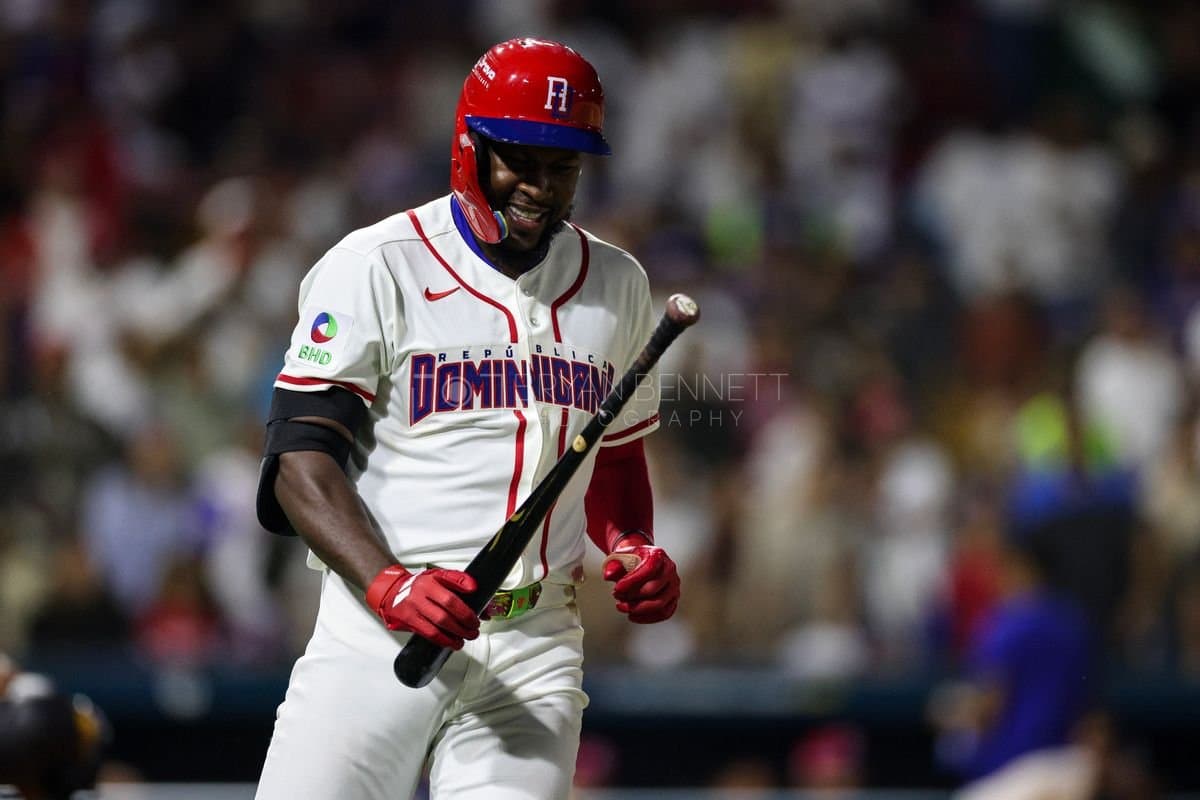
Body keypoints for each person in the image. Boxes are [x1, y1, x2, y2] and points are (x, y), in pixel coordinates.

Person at [253, 38, 681, 800]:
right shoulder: (377, 263)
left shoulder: (617, 282)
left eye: (565, 165)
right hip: (377, 628)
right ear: (469, 147)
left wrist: (632, 544)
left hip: (536, 641)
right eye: (521, 158)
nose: (541, 187)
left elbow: (611, 456)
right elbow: (300, 462)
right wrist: (388, 584)